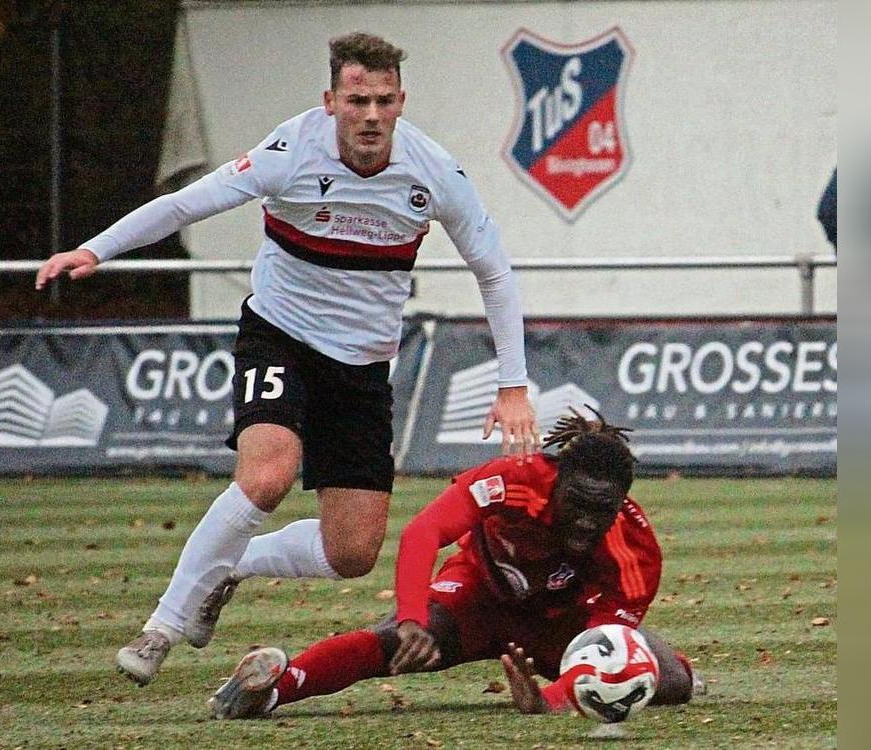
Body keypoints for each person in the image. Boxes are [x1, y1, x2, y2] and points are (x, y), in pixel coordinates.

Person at [34, 32, 538, 686]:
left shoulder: (434, 172)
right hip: (280, 335)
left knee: (352, 553)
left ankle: (231, 566)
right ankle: (161, 627)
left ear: (401, 102)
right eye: (358, 100)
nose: (372, 116)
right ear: (330, 101)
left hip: (361, 369)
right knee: (268, 475)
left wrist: (513, 386)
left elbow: (494, 273)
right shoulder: (289, 151)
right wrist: (95, 250)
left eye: (385, 101)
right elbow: (187, 202)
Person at [208, 408, 700, 720]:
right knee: (393, 643)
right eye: (578, 503)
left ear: (622, 503)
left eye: (603, 510)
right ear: (556, 480)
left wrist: (546, 702)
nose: (587, 522)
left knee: (668, 684)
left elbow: (603, 643)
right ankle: (273, 691)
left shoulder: (635, 551)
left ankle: (681, 670)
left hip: (560, 629)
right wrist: (410, 617)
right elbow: (425, 531)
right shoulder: (515, 480)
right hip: (476, 599)